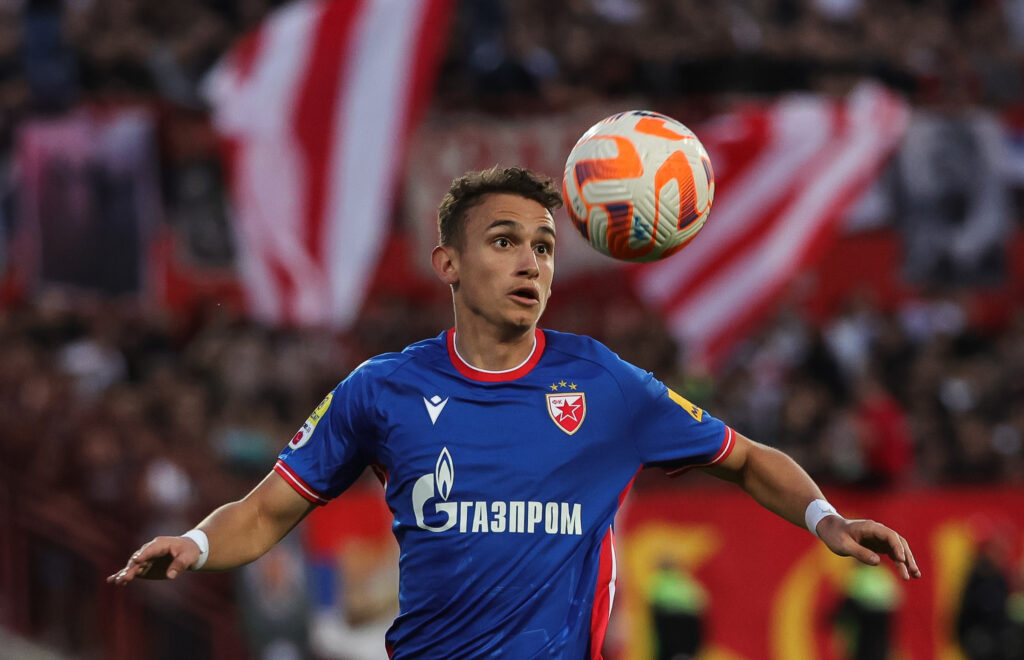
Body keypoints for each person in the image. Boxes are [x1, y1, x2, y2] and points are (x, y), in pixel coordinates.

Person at [109, 166, 921, 658]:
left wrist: (825, 518)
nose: (531, 262)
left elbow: (743, 456)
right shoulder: (381, 389)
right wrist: (196, 543)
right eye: (504, 241)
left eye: (543, 246)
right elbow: (266, 512)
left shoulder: (604, 384)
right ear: (449, 263)